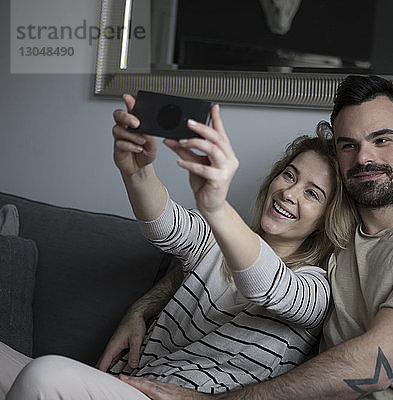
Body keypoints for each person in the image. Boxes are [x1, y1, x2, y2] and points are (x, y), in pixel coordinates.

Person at [114, 75, 393, 400]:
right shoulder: (339, 248)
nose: (364, 157)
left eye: (382, 140)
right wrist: (146, 304)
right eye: (348, 145)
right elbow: (208, 253)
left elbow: (373, 365)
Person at [0, 94, 354, 399]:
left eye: (312, 193)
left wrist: (216, 206)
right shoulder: (213, 245)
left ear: (326, 218)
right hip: (124, 385)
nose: (289, 193)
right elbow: (166, 225)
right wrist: (137, 172)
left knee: (46, 376)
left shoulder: (315, 288)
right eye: (289, 175)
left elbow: (267, 286)